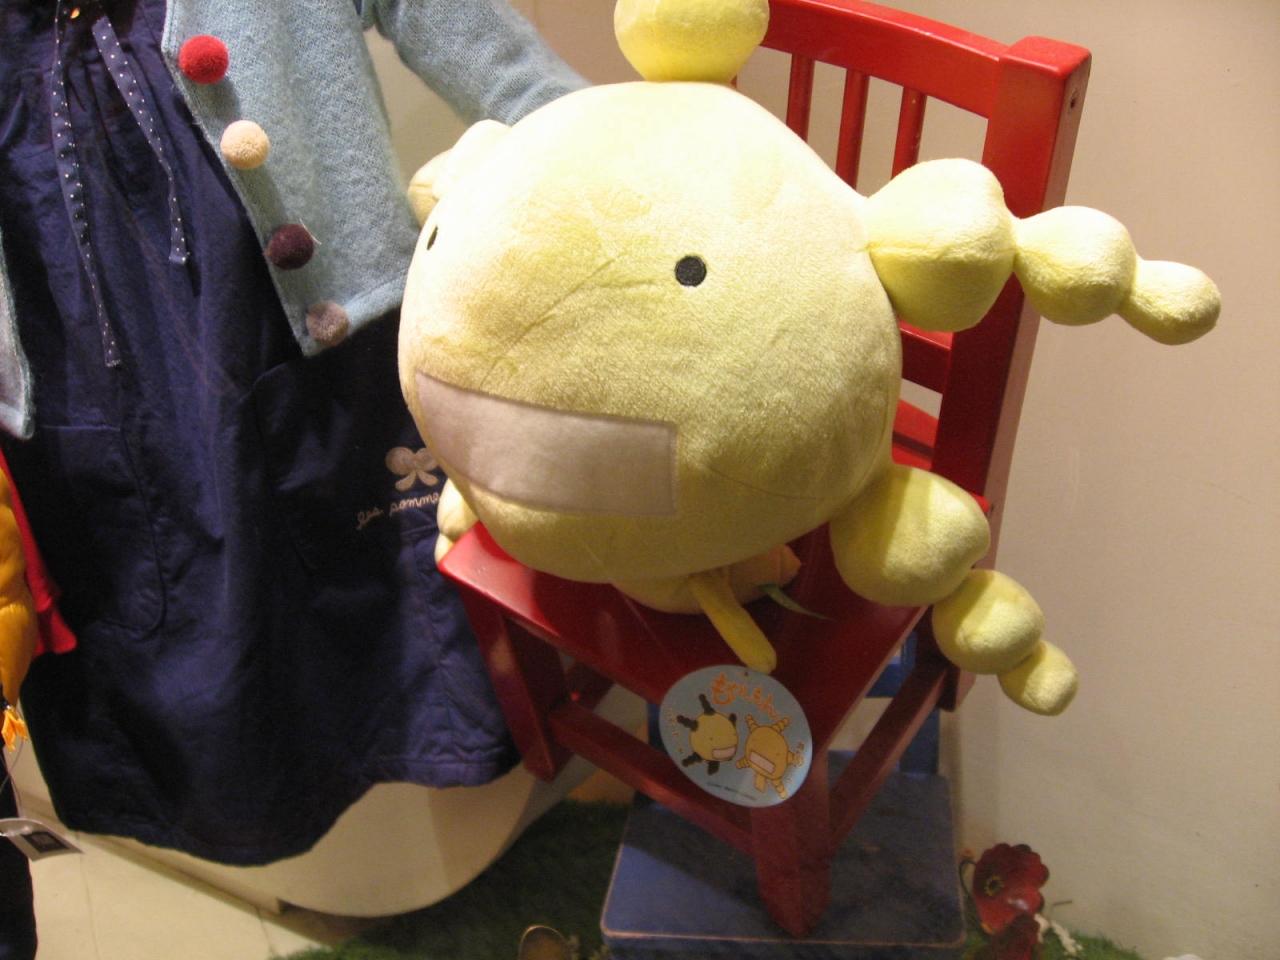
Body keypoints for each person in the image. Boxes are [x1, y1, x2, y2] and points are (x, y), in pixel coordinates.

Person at [0, 1, 586, 953]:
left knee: (367, 589)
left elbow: (462, 30)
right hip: (76, 371)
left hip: (312, 341)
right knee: (166, 612)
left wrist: (606, 151)